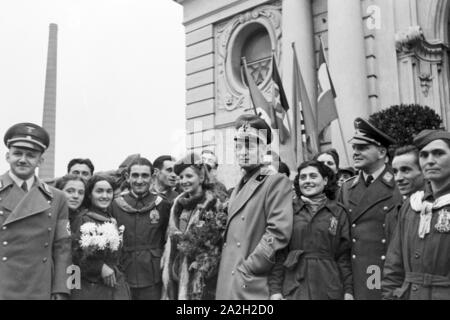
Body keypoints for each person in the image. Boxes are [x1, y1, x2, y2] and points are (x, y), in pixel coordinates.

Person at [216, 114, 293, 300]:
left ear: (264, 149)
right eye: (238, 146)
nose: (242, 151)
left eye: (249, 145)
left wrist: (249, 267)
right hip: (229, 278)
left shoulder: (275, 181)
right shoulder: (238, 186)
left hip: (248, 282)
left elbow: (278, 232)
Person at [0, 122, 71, 299]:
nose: (23, 159)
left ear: (41, 161)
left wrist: (62, 289)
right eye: (17, 153)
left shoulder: (58, 198)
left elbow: (63, 247)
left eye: (31, 155)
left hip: (39, 285)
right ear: (7, 156)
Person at [269, 160, 353, 300]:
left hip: (329, 286)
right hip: (295, 287)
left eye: (313, 176)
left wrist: (348, 290)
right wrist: (275, 290)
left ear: (325, 180)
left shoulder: (338, 212)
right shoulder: (288, 209)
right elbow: (279, 253)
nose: (307, 181)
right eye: (303, 177)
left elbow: (344, 256)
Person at [338, 117, 402, 300]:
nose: (355, 153)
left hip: (388, 275)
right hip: (355, 277)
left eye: (363, 148)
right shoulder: (347, 188)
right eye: (355, 148)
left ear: (381, 152)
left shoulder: (399, 184)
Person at [382, 130, 450, 299]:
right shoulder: (412, 205)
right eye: (424, 155)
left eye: (439, 153)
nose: (430, 161)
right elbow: (394, 264)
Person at [161, 153, 227, 300]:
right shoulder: (177, 204)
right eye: (181, 177)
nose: (184, 181)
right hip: (176, 272)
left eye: (189, 176)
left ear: (201, 177)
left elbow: (219, 244)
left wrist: (203, 264)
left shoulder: (213, 204)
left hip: (201, 278)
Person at [111, 157, 172, 300]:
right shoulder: (115, 205)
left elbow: (167, 239)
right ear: (127, 177)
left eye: (144, 175)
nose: (139, 181)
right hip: (123, 273)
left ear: (153, 177)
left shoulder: (163, 205)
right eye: (135, 175)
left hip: (153, 275)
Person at [71, 175, 130, 300]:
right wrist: (100, 267)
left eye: (109, 191)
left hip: (110, 284)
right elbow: (75, 254)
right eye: (99, 191)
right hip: (90, 286)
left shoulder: (110, 218)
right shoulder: (83, 219)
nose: (105, 196)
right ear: (89, 194)